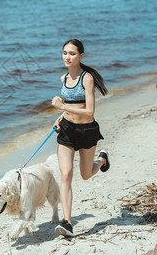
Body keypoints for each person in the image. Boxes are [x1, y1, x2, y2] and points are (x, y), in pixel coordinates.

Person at [51, 38, 110, 237]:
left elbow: (89, 112)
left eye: (72, 53)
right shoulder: (63, 79)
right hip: (67, 131)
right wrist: (60, 117)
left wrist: (61, 107)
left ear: (81, 56)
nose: (67, 57)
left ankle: (102, 159)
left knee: (85, 174)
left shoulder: (87, 79)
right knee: (66, 174)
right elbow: (72, 106)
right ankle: (67, 222)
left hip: (86, 131)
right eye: (65, 53)